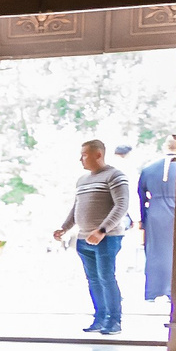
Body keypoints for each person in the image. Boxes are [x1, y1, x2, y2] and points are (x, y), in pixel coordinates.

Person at [52, 137, 133, 336]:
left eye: (84, 155)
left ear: (98, 154)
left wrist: (102, 230)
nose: (81, 159)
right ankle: (100, 317)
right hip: (83, 238)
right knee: (93, 280)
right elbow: (76, 207)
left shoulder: (115, 176)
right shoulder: (82, 180)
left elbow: (121, 205)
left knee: (106, 277)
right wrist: (64, 227)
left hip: (107, 237)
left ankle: (114, 321)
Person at [140, 136, 176, 306]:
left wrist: (143, 218)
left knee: (155, 251)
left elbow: (141, 195)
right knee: (175, 251)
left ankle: (152, 291)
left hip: (155, 211)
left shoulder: (149, 168)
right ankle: (171, 290)